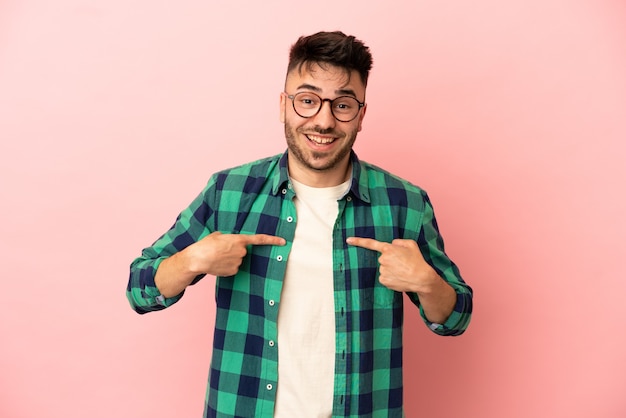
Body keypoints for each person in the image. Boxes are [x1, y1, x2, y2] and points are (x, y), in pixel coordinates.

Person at [127, 31, 473, 418]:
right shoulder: (230, 192)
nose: (323, 121)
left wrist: (426, 282)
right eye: (307, 101)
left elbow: (456, 317)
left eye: (342, 105)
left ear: (361, 115)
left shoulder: (404, 203)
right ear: (283, 105)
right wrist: (191, 260)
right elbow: (140, 289)